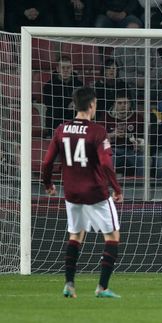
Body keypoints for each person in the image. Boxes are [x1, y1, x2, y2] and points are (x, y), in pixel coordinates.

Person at [40, 87, 123, 299]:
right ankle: (102, 288)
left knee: (76, 234)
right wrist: (116, 187)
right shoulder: (97, 131)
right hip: (95, 192)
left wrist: (48, 184)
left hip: (71, 193)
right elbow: (106, 162)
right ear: (92, 105)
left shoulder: (61, 129)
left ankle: (69, 284)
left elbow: (47, 162)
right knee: (112, 236)